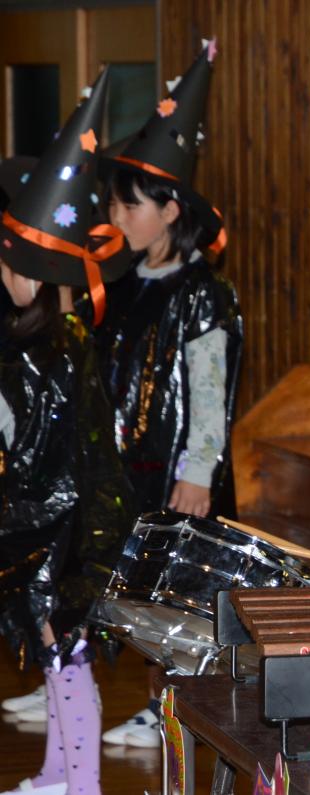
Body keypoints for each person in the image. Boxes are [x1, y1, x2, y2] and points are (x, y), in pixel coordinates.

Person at [98, 39, 242, 749]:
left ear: (169, 208)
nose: (117, 216)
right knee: (136, 594)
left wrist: (199, 465)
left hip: (178, 474)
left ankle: (176, 708)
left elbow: (211, 386)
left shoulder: (202, 296)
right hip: (131, 470)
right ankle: (150, 698)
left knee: (179, 597)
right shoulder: (124, 287)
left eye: (129, 205)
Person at [0, 70, 135, 795]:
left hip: (68, 528)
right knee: (54, 655)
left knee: (68, 653)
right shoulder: (33, 337)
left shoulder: (61, 346)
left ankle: (81, 782)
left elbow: (60, 457)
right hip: (42, 524)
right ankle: (59, 772)